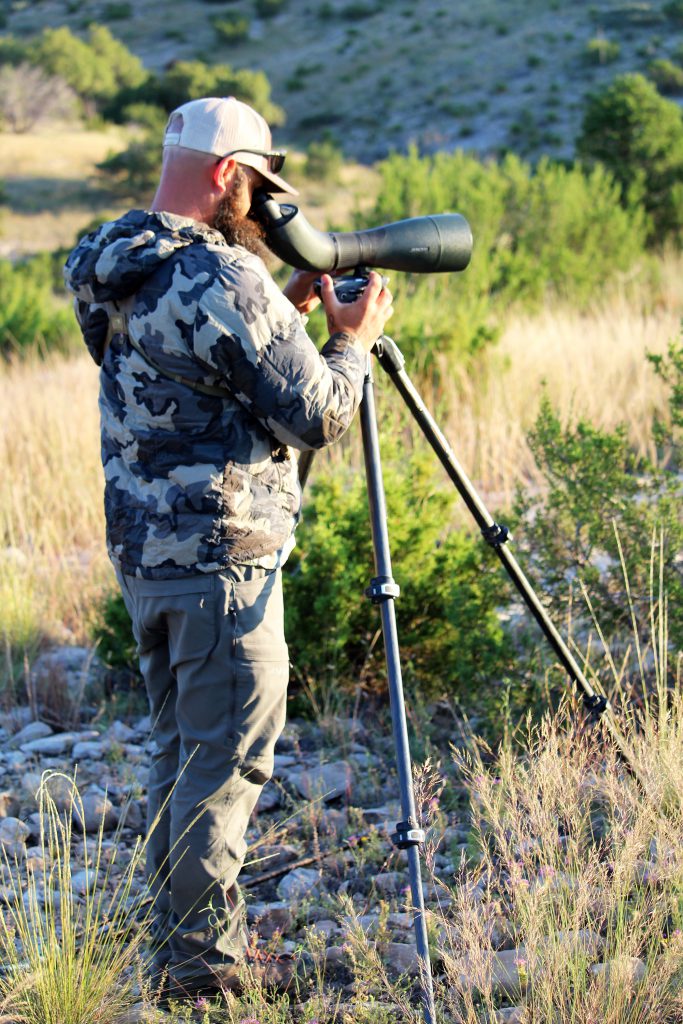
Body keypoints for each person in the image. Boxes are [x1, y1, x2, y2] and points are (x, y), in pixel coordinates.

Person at [63, 95, 393, 1002]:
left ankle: (174, 945)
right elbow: (319, 413)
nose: (261, 209)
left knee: (182, 750)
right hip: (223, 560)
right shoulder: (224, 279)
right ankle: (201, 976)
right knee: (228, 762)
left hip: (148, 556)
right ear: (225, 174)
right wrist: (347, 342)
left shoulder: (110, 262)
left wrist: (275, 318)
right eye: (255, 187)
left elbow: (187, 358)